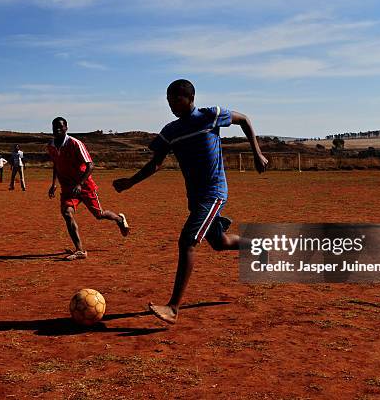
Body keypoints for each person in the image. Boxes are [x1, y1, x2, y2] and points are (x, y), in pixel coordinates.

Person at [113, 79, 268, 324]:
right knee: (220, 242)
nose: (171, 104)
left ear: (190, 98)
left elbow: (245, 120)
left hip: (214, 193)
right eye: (168, 100)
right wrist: (130, 182)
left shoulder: (210, 116)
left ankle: (173, 307)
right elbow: (155, 163)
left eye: (175, 99)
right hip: (195, 198)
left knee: (187, 241)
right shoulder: (171, 131)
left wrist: (257, 153)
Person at [47, 117, 130, 260]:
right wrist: (54, 183)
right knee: (67, 213)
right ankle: (79, 250)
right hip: (68, 188)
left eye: (61, 127)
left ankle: (119, 219)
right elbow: (56, 164)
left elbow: (91, 165)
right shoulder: (51, 146)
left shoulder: (75, 143)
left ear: (66, 128)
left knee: (99, 214)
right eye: (55, 127)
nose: (58, 130)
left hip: (84, 186)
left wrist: (80, 184)